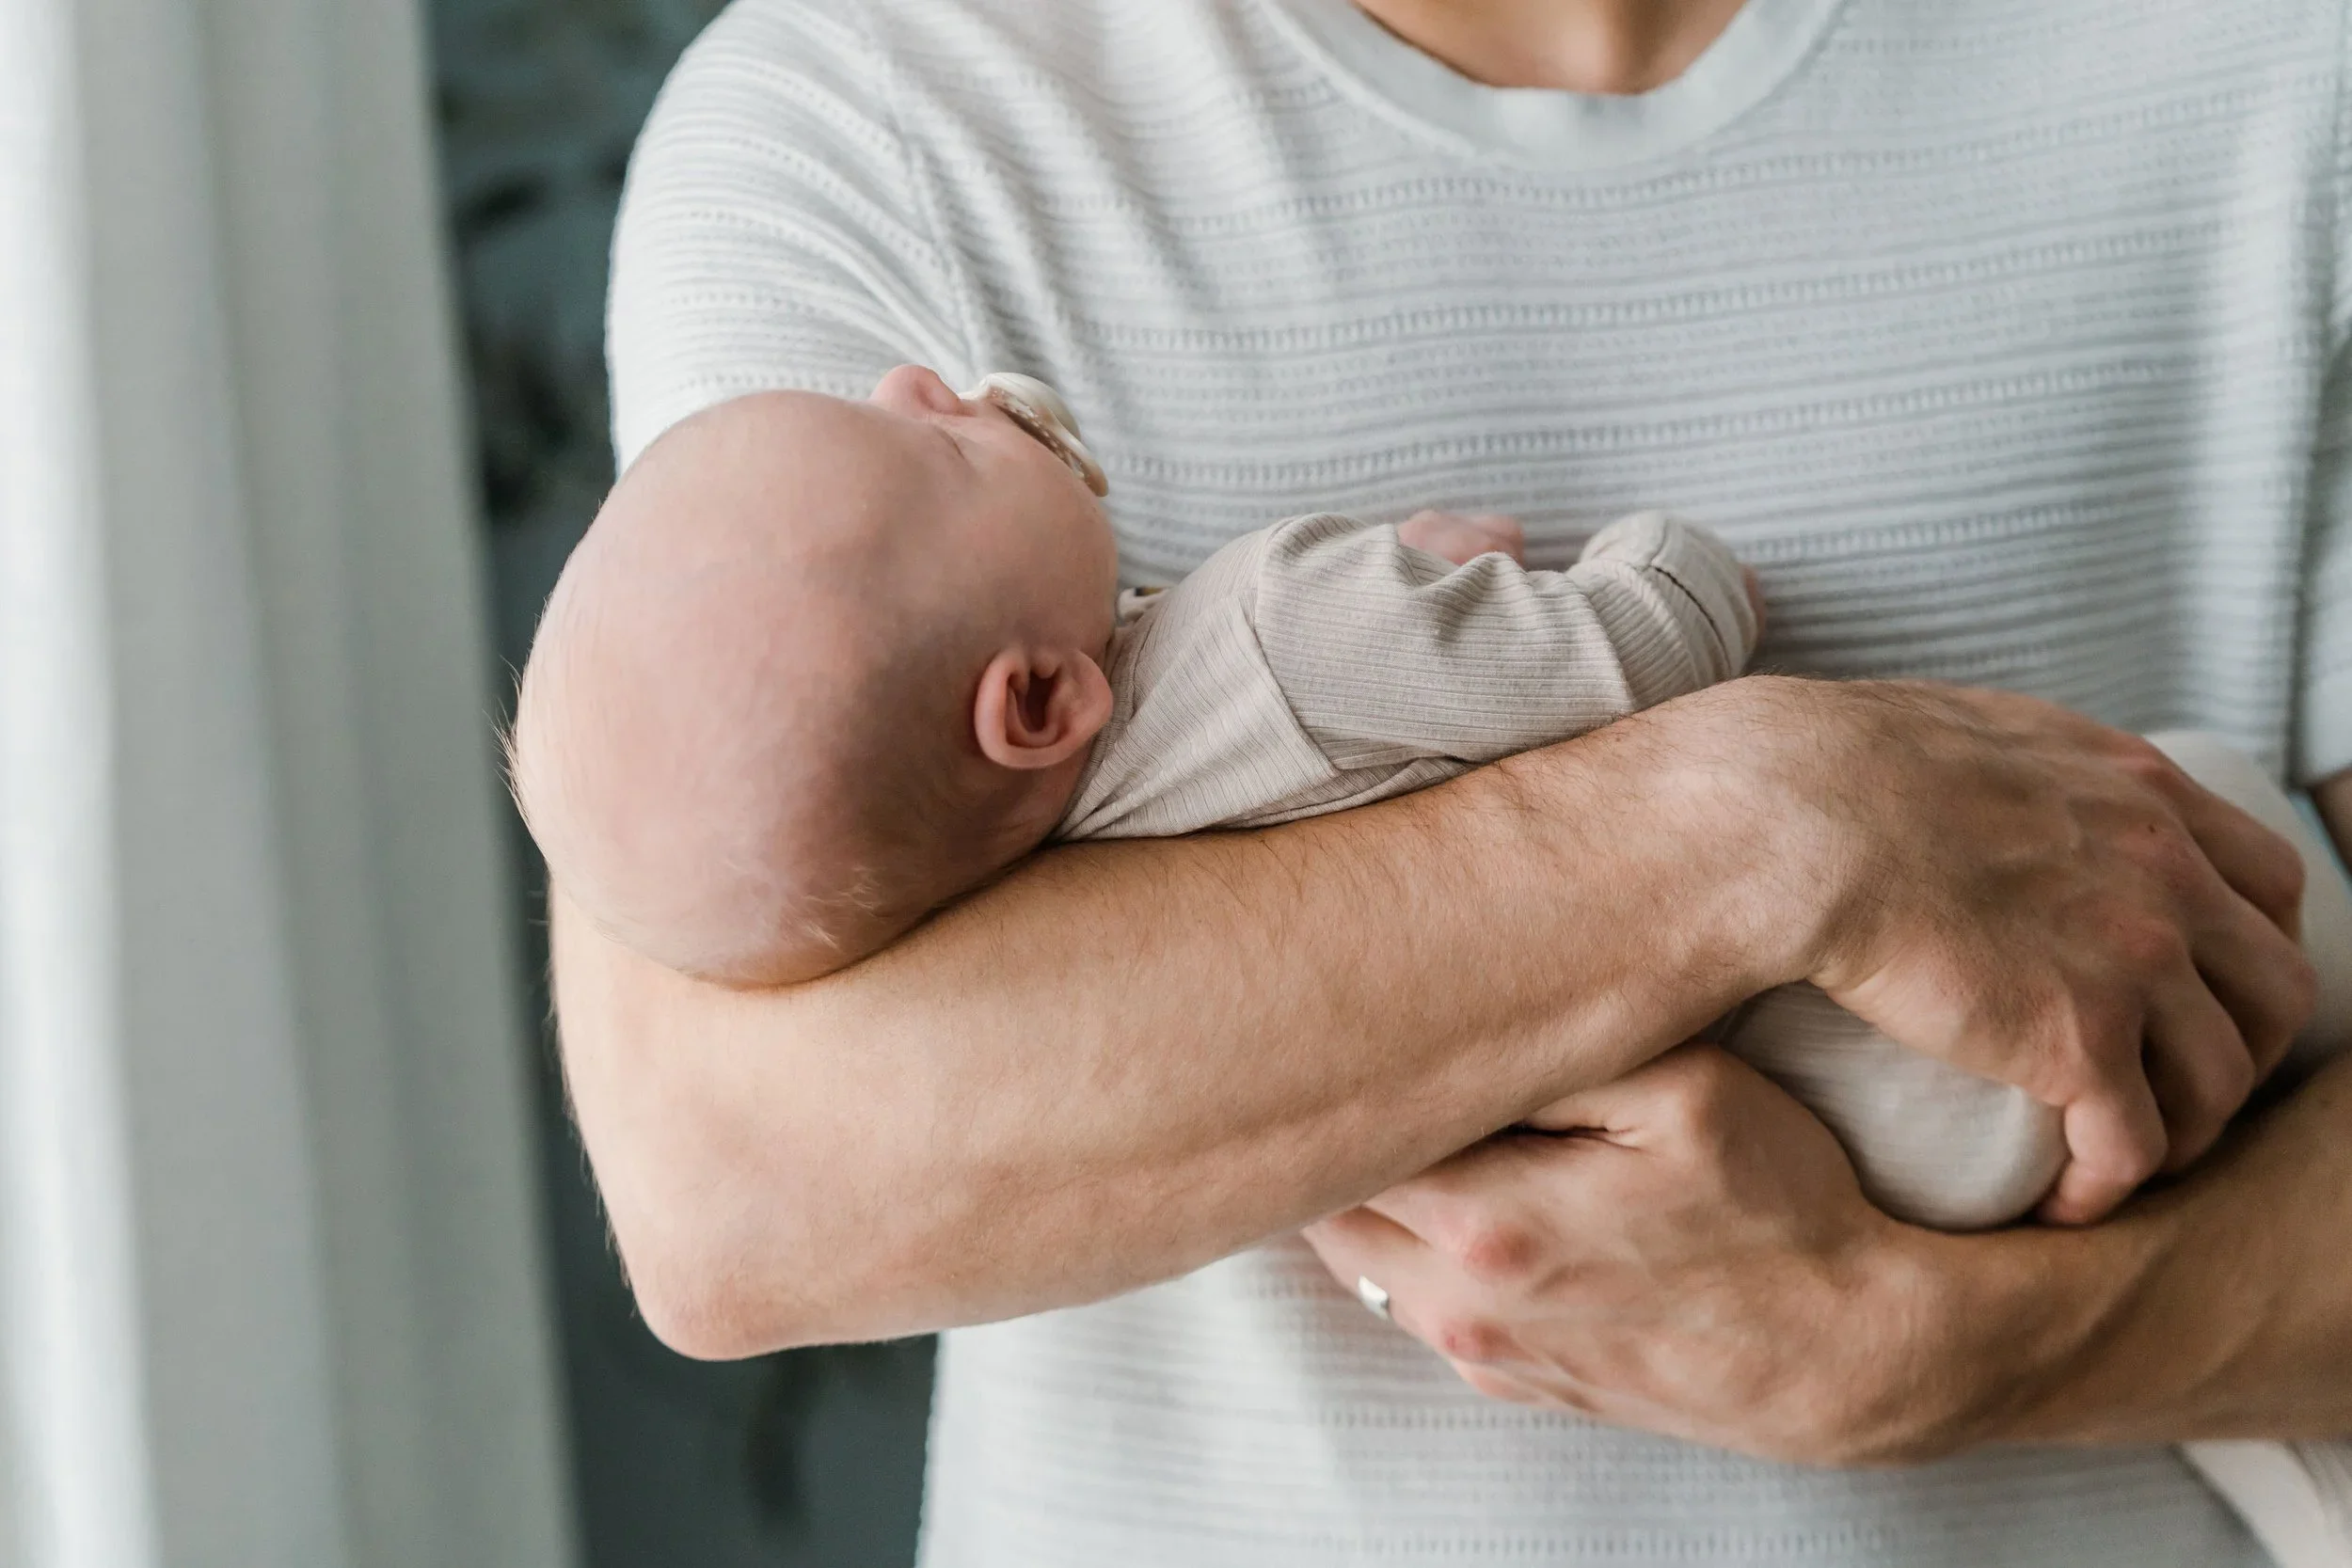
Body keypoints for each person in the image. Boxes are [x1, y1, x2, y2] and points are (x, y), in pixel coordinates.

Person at [561, 0, 2352, 1561]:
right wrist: (1761, 817)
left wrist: (1984, 1347)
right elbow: (736, 1181)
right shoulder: (869, 113)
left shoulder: (2275, 55)